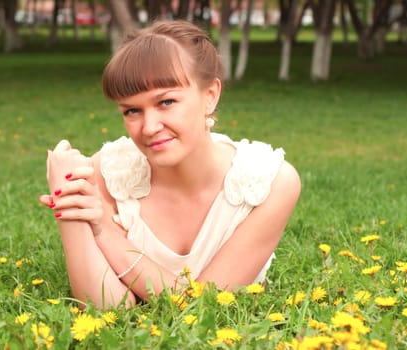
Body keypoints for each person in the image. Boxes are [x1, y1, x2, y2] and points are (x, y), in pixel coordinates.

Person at [38, 20, 301, 309]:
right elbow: (107, 308)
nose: (149, 127)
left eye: (166, 102)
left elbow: (204, 306)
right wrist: (69, 204)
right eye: (132, 110)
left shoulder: (268, 183)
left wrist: (103, 228)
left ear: (210, 96)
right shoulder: (108, 173)